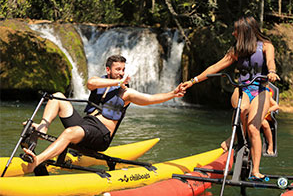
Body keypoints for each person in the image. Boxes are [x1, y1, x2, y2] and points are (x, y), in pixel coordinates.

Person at [23, 55, 185, 173]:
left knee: (69, 132)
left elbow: (150, 99)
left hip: (100, 135)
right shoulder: (99, 82)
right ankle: (42, 128)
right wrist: (117, 82)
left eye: (123, 70)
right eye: (118, 70)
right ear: (108, 70)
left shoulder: (125, 93)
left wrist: (172, 94)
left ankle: (37, 161)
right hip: (85, 125)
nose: (122, 73)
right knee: (57, 96)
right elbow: (90, 83)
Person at [181, 16, 280, 179]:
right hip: (243, 88)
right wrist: (192, 81)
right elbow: (215, 67)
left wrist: (272, 72)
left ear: (245, 32)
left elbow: (270, 61)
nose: (233, 33)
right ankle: (237, 135)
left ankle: (255, 170)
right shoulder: (236, 50)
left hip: (260, 89)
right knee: (242, 108)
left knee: (254, 129)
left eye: (236, 31)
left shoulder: (266, 46)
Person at [261, 91, 279, 155]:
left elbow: (276, 106)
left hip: (264, 118)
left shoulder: (266, 94)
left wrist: (267, 110)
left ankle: (270, 144)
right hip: (252, 116)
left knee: (264, 123)